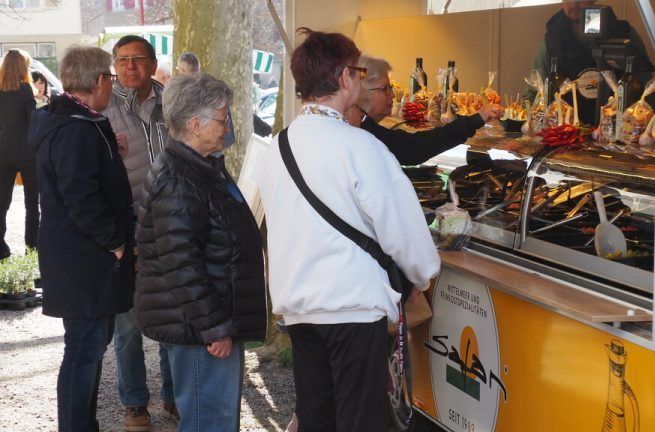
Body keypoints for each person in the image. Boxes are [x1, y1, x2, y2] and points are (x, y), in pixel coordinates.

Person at [257, 28, 440, 431]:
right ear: (343, 77)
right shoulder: (361, 146)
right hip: (353, 307)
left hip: (300, 306)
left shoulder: (279, 145)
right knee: (361, 419)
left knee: (318, 416)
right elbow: (403, 230)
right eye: (357, 71)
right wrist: (423, 274)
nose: (360, 79)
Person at [135, 73, 267, 432]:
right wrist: (214, 328)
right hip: (200, 329)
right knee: (208, 421)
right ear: (195, 124)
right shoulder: (180, 178)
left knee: (215, 419)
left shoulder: (199, 167)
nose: (227, 126)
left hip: (205, 321)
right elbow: (182, 264)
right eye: (222, 119)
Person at [28, 45, 134, 432]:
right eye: (111, 75)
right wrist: (116, 242)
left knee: (88, 348)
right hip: (82, 257)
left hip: (81, 255)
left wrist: (111, 155)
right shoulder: (74, 127)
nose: (114, 82)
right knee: (83, 352)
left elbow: (84, 179)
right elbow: (81, 198)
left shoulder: (79, 120)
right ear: (98, 81)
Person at [101, 34, 175, 430]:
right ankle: (134, 403)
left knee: (171, 310)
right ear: (114, 64)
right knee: (128, 319)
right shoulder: (102, 109)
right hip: (127, 224)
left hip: (170, 221)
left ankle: (173, 395)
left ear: (152, 62)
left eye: (138, 59)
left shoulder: (172, 102)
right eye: (123, 60)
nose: (130, 67)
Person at [346, 54, 504, 166]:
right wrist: (476, 119)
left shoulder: (363, 125)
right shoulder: (360, 131)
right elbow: (413, 148)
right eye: (385, 88)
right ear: (360, 92)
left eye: (391, 87)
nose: (392, 94)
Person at [525, 0, 653, 125]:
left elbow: (646, 86)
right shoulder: (553, 39)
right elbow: (534, 94)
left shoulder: (623, 34)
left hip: (617, 131)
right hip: (565, 134)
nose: (574, 3)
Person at [0, 49, 38, 260]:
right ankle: (32, 249)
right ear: (23, 68)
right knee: (32, 204)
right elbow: (33, 119)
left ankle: (1, 249)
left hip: (3, 152)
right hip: (27, 152)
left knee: (1, 204)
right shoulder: (25, 90)